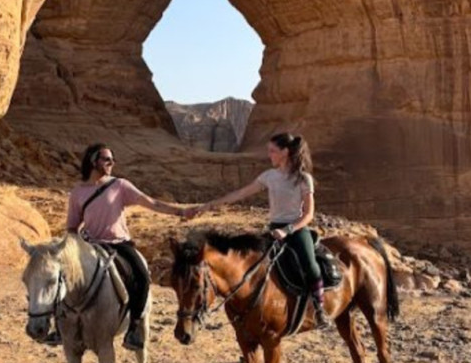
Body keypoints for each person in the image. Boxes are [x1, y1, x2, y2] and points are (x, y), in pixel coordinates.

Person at [188, 132, 330, 328]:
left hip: (296, 229)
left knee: (310, 266)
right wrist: (211, 204)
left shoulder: (303, 179)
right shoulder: (269, 177)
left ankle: (319, 308)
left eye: (272, 151)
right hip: (273, 230)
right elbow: (241, 193)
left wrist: (287, 230)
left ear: (285, 152)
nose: (269, 155)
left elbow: (308, 215)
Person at [67, 143, 188, 349]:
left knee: (141, 276)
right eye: (106, 159)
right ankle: (59, 326)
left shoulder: (120, 185)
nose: (111, 163)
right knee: (60, 276)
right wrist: (71, 248)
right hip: (90, 246)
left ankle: (133, 328)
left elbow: (151, 202)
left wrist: (181, 212)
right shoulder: (78, 192)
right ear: (93, 161)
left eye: (112, 159)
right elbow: (72, 227)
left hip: (118, 244)